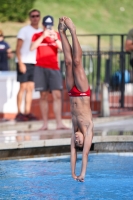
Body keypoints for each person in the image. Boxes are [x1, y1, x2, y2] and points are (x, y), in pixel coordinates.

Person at [58, 17, 93, 182]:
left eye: (76, 142)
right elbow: (83, 154)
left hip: (72, 92)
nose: (77, 141)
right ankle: (73, 30)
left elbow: (73, 153)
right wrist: (82, 174)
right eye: (80, 142)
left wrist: (72, 173)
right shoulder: (87, 129)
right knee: (77, 62)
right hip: (83, 92)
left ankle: (61, 32)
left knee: (68, 63)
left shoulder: (73, 131)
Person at [30, 15, 68, 130]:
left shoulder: (56, 34)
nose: (48, 28)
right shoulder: (36, 35)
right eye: (46, 26)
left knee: (57, 95)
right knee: (43, 95)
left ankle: (59, 123)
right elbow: (32, 47)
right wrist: (43, 36)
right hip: (40, 68)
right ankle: (45, 124)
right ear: (43, 25)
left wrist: (55, 39)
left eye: (50, 26)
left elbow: (64, 49)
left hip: (54, 68)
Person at [15, 9, 42, 121]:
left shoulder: (41, 31)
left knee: (30, 88)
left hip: (34, 62)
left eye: (37, 16)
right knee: (23, 87)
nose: (35, 18)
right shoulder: (24, 30)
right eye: (33, 16)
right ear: (30, 17)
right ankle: (19, 112)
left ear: (39, 17)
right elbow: (17, 48)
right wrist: (21, 63)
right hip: (24, 61)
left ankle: (27, 112)